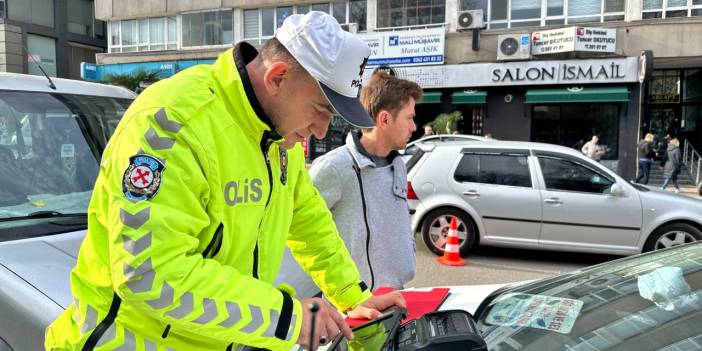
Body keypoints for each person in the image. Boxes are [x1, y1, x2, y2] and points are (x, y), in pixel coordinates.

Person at [45, 12, 404, 351]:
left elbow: (308, 220)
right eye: (320, 111)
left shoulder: (278, 136)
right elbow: (149, 274)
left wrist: (354, 298)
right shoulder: (172, 126)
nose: (323, 130)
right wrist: (287, 317)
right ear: (277, 78)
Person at [296, 72, 421, 294]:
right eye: (409, 117)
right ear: (385, 119)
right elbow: (297, 235)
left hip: (396, 294)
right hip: (353, 306)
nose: (414, 126)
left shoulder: (399, 164)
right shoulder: (334, 168)